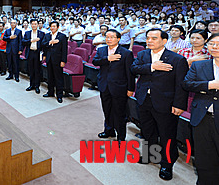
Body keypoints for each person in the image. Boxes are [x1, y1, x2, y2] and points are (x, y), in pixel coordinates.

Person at [131, 29, 189, 181]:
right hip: (144, 99)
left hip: (166, 103)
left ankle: (167, 164)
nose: (149, 41)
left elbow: (181, 85)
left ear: (164, 41)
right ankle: (150, 155)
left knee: (167, 135)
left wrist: (179, 104)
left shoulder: (177, 59)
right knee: (147, 131)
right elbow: (134, 68)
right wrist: (152, 66)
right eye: (148, 38)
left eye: (154, 38)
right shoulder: (143, 54)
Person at [182, 33, 219, 185]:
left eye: (218, 44)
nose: (215, 47)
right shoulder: (200, 65)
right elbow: (187, 84)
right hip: (202, 118)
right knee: (204, 158)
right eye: (212, 44)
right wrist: (209, 85)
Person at [92, 29, 135, 141]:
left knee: (119, 113)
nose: (108, 39)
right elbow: (95, 62)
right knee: (107, 110)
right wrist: (107, 59)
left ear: (118, 39)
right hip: (104, 85)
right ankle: (109, 130)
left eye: (112, 37)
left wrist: (130, 89)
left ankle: (121, 137)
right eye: (107, 37)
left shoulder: (126, 53)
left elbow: (130, 73)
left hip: (119, 87)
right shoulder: (101, 50)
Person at [42, 21, 68, 102]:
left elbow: (64, 50)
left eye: (54, 26)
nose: (52, 28)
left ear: (57, 27)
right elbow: (43, 44)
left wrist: (63, 60)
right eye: (51, 26)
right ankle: (50, 92)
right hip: (49, 59)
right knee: (50, 76)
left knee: (58, 77)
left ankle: (59, 95)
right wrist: (50, 42)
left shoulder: (62, 36)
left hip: (58, 59)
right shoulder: (47, 35)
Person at [22, 19, 45, 94]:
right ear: (30, 25)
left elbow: (44, 45)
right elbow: (24, 42)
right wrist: (31, 40)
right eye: (32, 24)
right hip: (30, 53)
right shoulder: (27, 33)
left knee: (37, 70)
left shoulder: (42, 33)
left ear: (38, 25)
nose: (34, 25)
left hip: (38, 53)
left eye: (35, 24)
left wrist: (44, 54)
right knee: (31, 70)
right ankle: (31, 85)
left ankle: (37, 86)